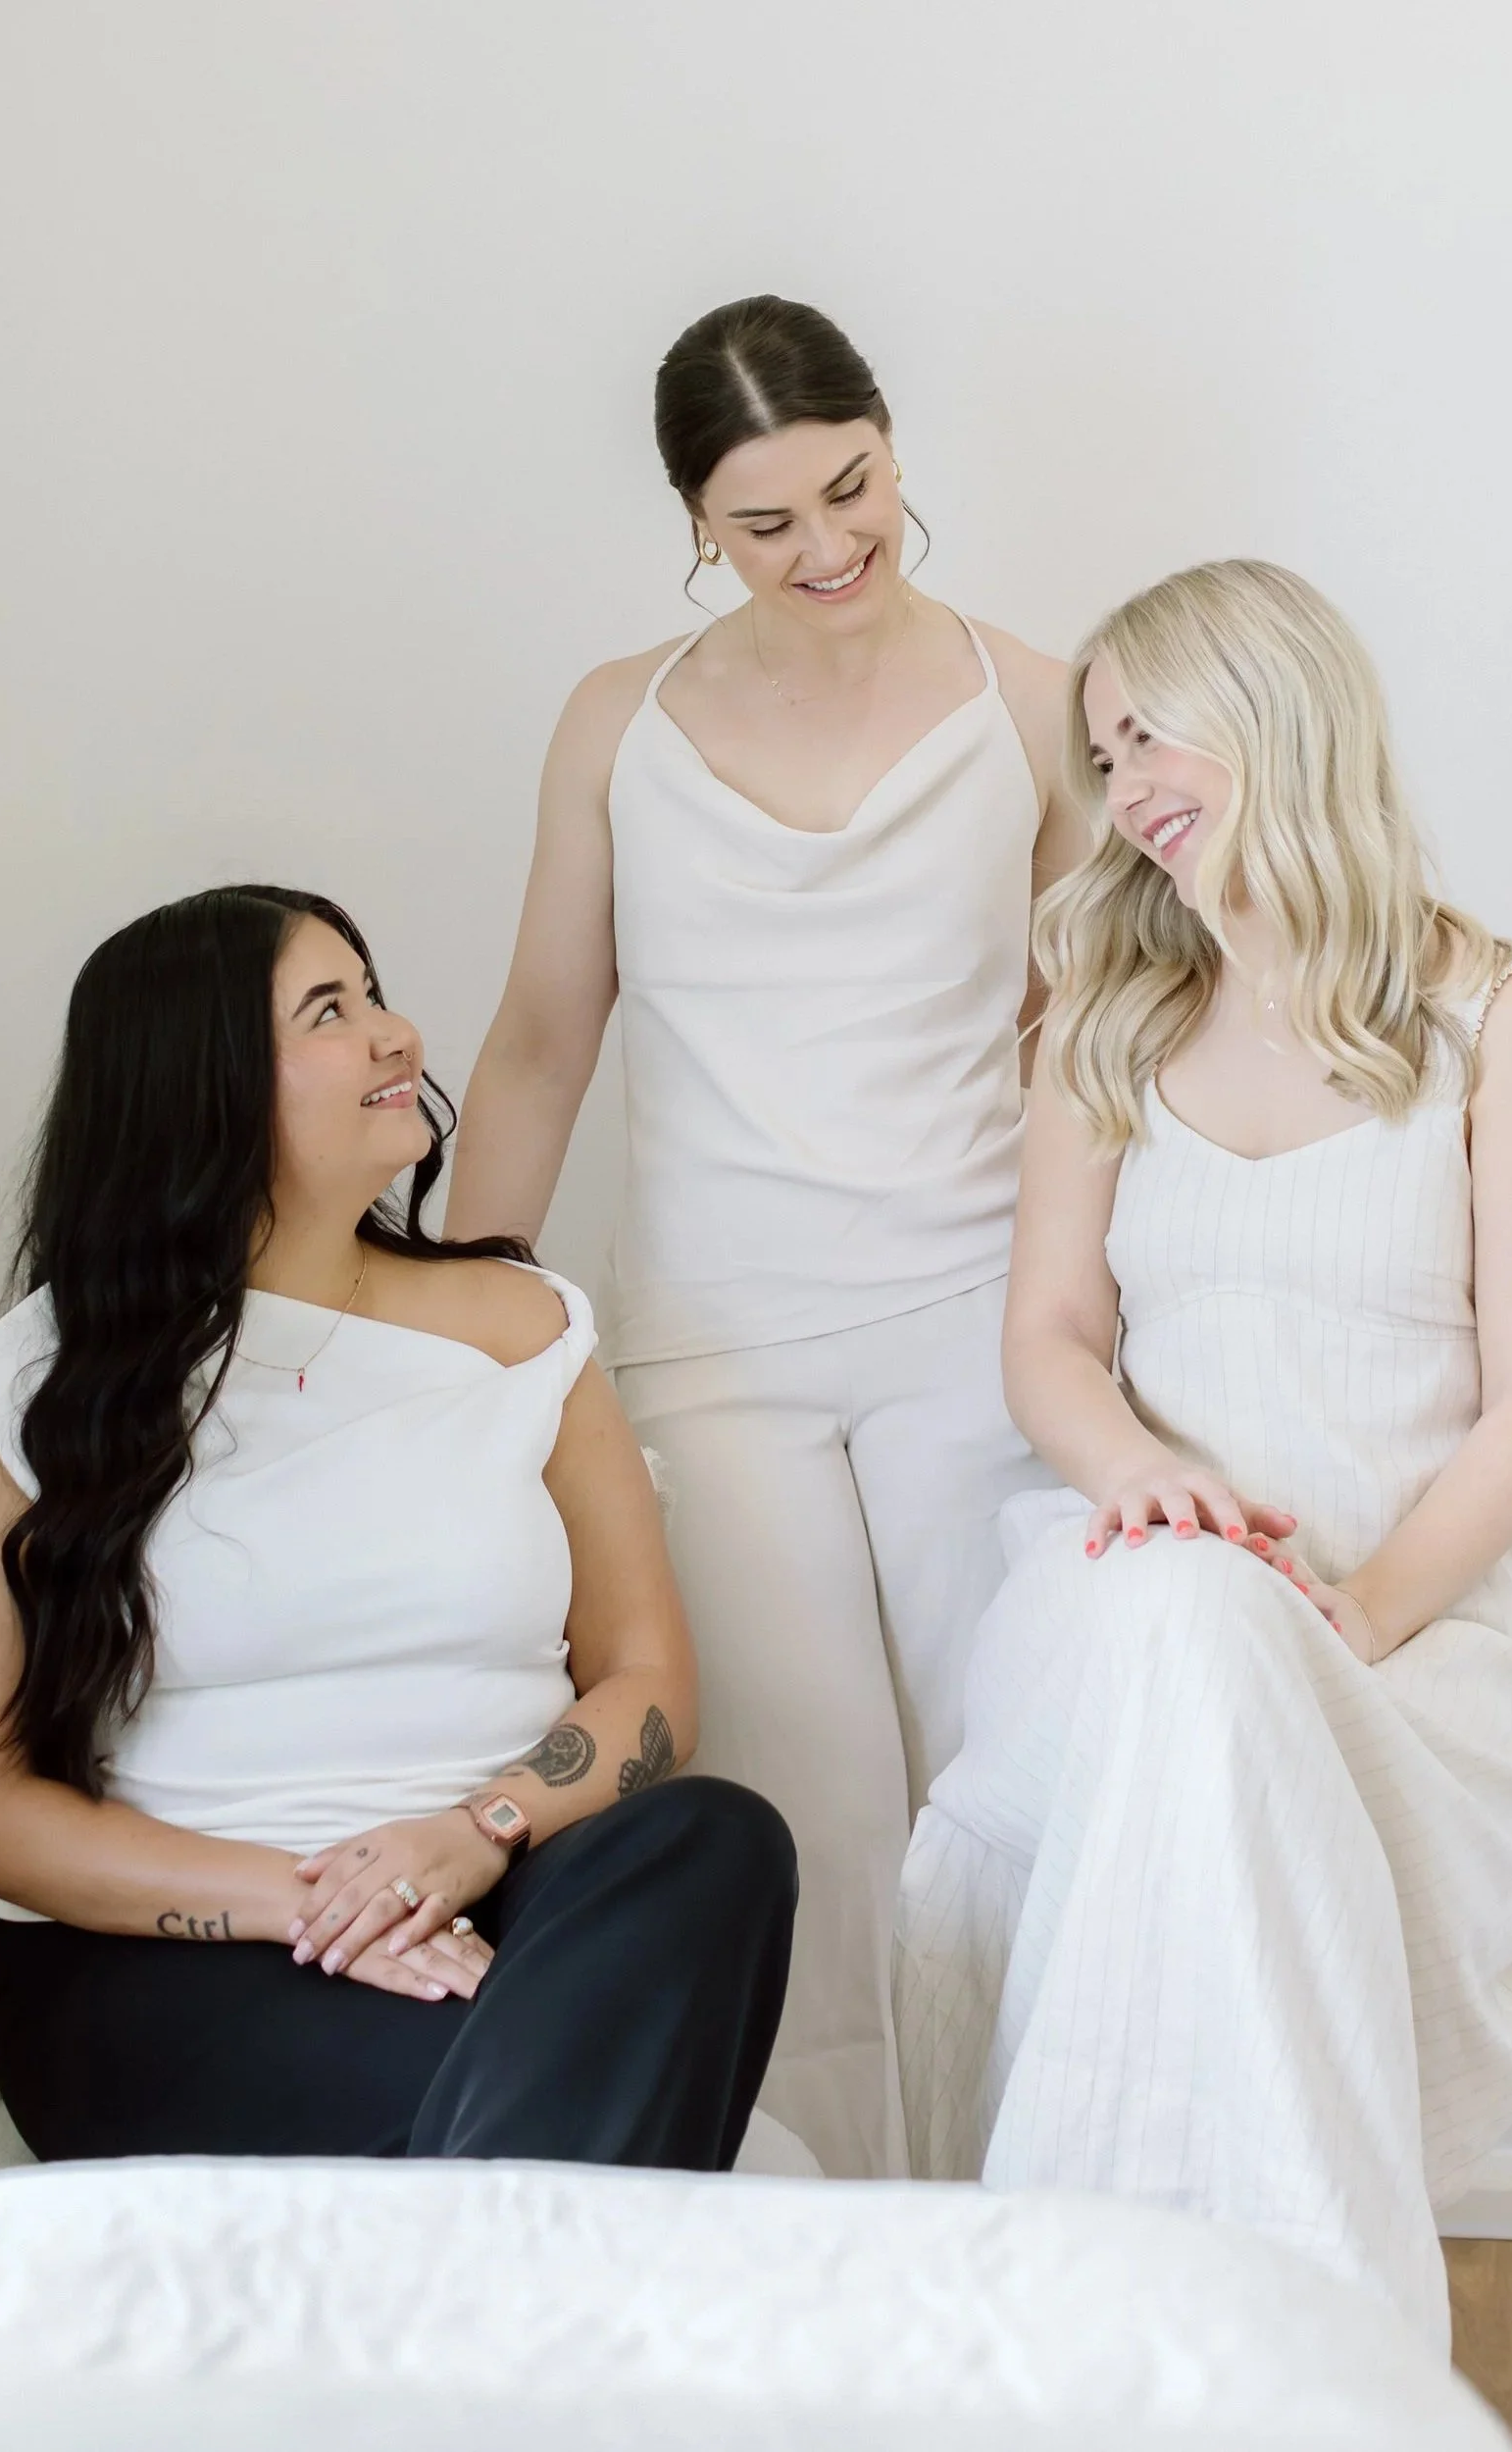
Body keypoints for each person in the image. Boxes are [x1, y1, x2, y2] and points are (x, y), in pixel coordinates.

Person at [895, 562, 1512, 2348]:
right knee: (1192, 1627)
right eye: (1104, 747)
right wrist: (1139, 1476)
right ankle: (1289, 2358)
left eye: (1154, 730)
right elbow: (1049, 1343)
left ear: (1278, 704)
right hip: (1124, 1576)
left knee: (1226, 1652)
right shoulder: (1109, 1020)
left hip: (1414, 1633)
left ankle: (1095, 2337)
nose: (1125, 783)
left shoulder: (1502, 1021)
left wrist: (1362, 1612)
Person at [449, 296, 1082, 2177]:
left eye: (850, 491)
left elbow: (1088, 1055)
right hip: (713, 1350)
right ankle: (842, 2293)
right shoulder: (615, 725)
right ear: (697, 531)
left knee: (1004, 1801)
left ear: (891, 447)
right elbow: (545, 1042)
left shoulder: (1038, 704)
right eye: (765, 524)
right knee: (799, 1822)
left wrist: (1093, 1324)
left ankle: (1033, 2237)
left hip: (977, 1316)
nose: (824, 552)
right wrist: (466, 1343)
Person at [0, 885, 795, 2171]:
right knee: (544, 2079)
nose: (397, 1036)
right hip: (169, 1958)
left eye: (374, 993)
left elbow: (649, 1683)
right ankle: (548, 2233)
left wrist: (465, 1840)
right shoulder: (18, 1404)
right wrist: (313, 1904)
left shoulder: (527, 1328)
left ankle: (489, 2241)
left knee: (721, 1843)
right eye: (330, 1011)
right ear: (197, 1086)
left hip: (510, 1897)